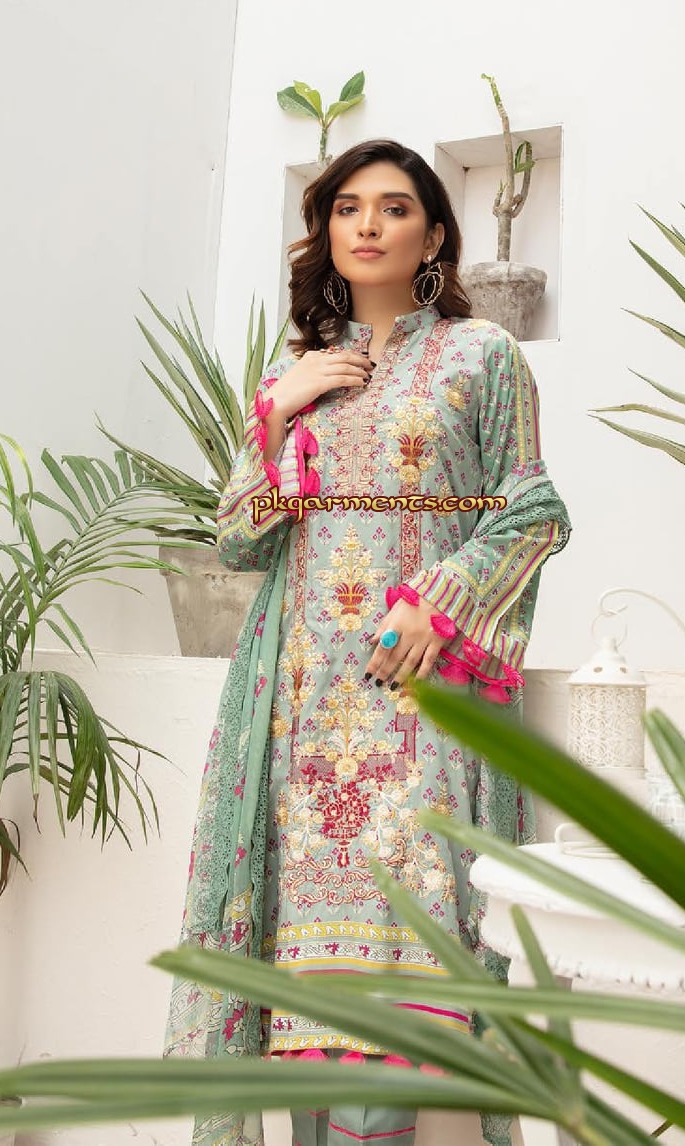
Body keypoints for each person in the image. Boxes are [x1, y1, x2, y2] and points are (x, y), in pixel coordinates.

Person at [164, 138, 572, 1146]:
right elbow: (239, 538)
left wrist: (439, 602)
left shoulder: (481, 356)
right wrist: (277, 413)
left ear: (432, 237)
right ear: (325, 232)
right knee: (307, 998)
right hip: (299, 714)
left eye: (393, 208)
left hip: (418, 706)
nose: (368, 225)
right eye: (347, 208)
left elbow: (530, 510)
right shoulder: (294, 373)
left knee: (397, 998)